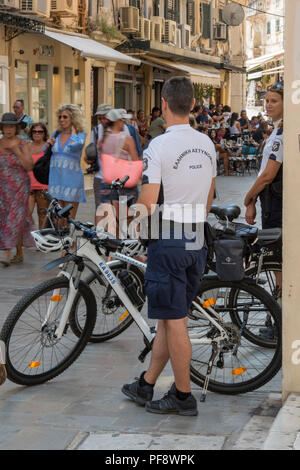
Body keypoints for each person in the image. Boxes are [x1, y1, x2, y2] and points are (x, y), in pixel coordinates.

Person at [122, 76, 216, 416]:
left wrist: (131, 227)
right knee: (169, 316)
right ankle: (146, 384)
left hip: (170, 237)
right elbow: (208, 197)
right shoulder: (206, 143)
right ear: (192, 105)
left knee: (175, 320)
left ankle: (182, 396)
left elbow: (148, 201)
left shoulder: (158, 146)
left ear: (163, 104)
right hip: (197, 236)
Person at [244, 83, 283, 312]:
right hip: (271, 203)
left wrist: (248, 198)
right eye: (266, 100)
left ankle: (279, 316)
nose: (268, 105)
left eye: (274, 100)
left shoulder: (281, 133)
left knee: (277, 261)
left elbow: (267, 175)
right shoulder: (277, 130)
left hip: (276, 206)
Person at [96, 109, 139, 235]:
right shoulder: (127, 139)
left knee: (110, 221)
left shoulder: (102, 140)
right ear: (118, 122)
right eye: (123, 120)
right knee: (130, 219)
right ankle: (131, 250)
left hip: (106, 183)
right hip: (124, 184)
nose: (124, 124)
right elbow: (135, 162)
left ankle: (111, 252)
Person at [0, 113, 34, 266]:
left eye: (11, 126)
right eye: (6, 126)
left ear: (16, 128)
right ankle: (19, 252)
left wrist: (16, 151)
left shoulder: (23, 143)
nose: (8, 129)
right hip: (3, 187)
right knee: (8, 217)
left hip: (20, 186)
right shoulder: (0, 143)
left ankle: (7, 251)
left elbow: (29, 166)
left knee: (14, 216)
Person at [47, 104, 87, 220]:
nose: (62, 119)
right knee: (56, 220)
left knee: (68, 220)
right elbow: (45, 151)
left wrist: (73, 133)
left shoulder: (80, 135)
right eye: (60, 117)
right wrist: (48, 143)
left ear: (73, 119)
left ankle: (68, 238)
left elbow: (76, 146)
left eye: (65, 117)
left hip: (72, 182)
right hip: (55, 181)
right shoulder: (56, 133)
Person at [28, 123, 50, 229]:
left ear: (44, 134)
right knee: (26, 214)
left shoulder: (48, 147)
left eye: (40, 131)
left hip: (43, 187)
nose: (37, 134)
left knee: (42, 215)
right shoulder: (26, 147)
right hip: (29, 187)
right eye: (34, 131)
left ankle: (41, 244)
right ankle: (30, 238)